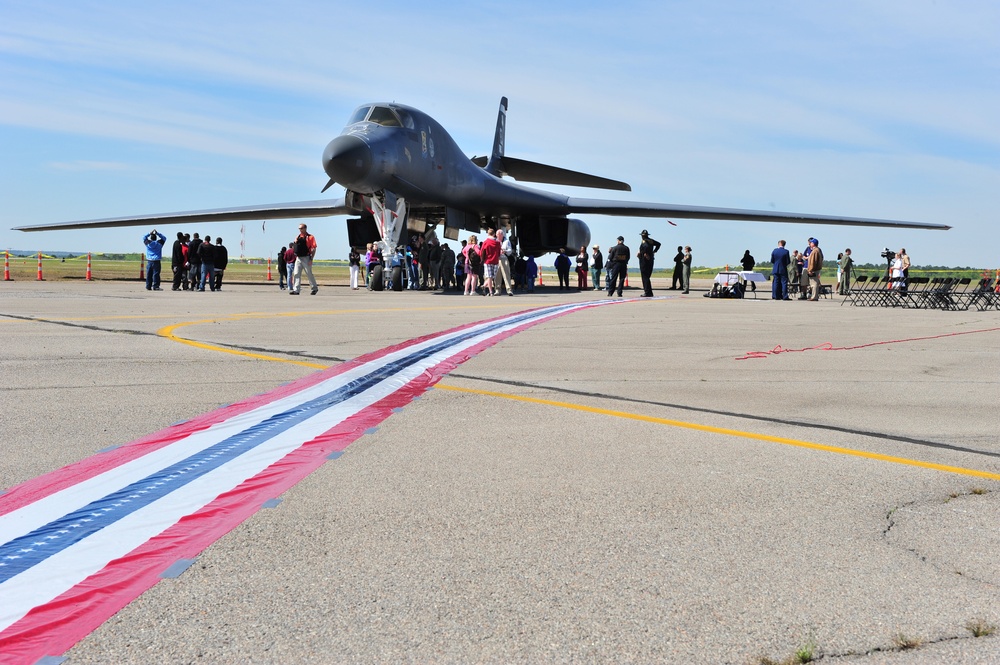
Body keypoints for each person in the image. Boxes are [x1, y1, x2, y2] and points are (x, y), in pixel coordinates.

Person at [290, 224, 318, 295]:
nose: (300, 230)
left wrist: (311, 259)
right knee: (296, 273)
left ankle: (314, 288)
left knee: (309, 273)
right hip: (298, 258)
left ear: (305, 228)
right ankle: (296, 290)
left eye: (301, 228)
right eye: (299, 228)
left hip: (306, 257)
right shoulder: (297, 237)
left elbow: (314, 248)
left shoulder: (310, 237)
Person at [637, 230, 661, 297]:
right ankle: (649, 292)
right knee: (647, 276)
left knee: (645, 276)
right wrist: (654, 251)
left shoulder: (645, 241)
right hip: (650, 259)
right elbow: (658, 244)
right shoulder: (651, 240)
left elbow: (646, 246)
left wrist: (645, 253)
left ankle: (647, 292)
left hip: (644, 260)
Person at [480, 228, 502, 296]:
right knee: (492, 277)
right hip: (495, 261)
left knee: (489, 276)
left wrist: (482, 259)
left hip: (488, 261)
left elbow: (482, 252)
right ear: (494, 234)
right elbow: (499, 252)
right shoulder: (498, 242)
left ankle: (490, 291)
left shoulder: (486, 242)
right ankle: (485, 286)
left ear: (488, 234)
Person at [496, 229, 515, 295]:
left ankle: (509, 290)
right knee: (497, 275)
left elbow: (510, 250)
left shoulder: (507, 241)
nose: (497, 236)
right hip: (497, 259)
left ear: (502, 235)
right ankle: (497, 290)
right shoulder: (495, 241)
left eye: (498, 235)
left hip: (504, 258)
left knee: (506, 275)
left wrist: (505, 251)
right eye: (497, 235)